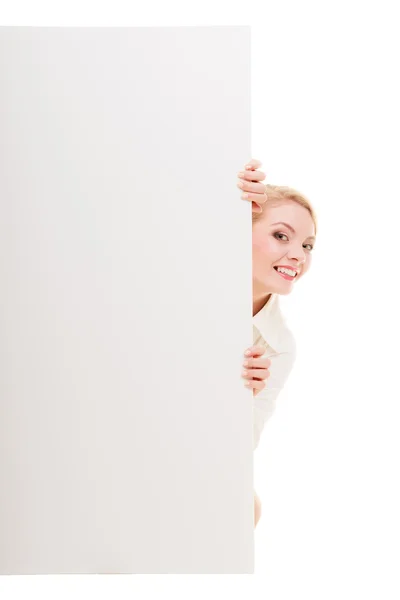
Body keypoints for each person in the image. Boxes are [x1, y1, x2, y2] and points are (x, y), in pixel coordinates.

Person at [237, 158, 318, 528]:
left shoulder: (278, 344)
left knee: (246, 505)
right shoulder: (187, 289)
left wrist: (240, 397)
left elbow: (241, 448)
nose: (298, 256)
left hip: (192, 451)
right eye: (281, 236)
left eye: (307, 245)